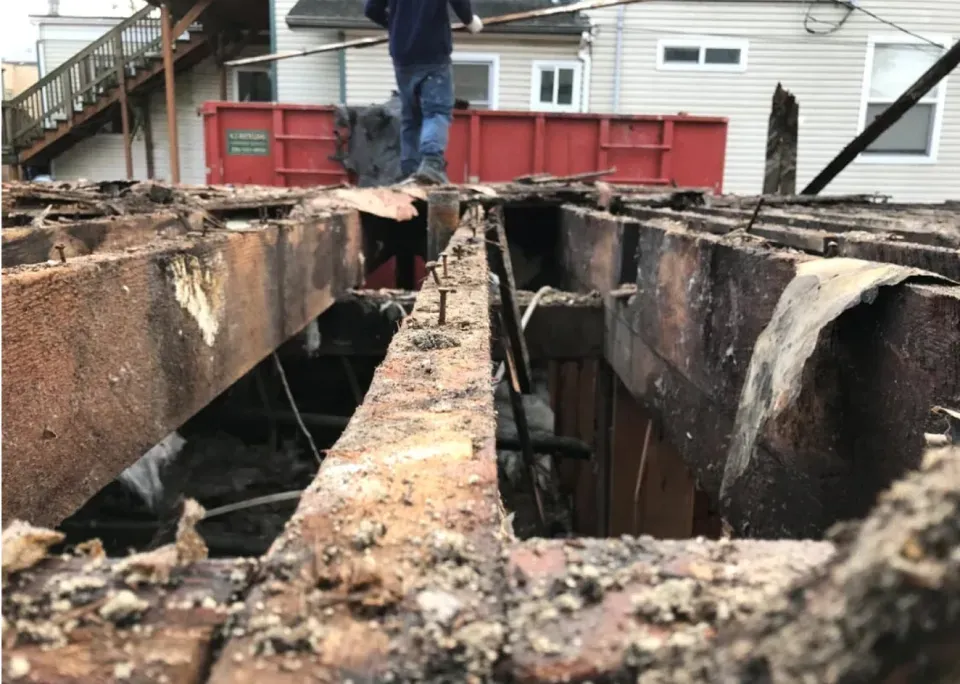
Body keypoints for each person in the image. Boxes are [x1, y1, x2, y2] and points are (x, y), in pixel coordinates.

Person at [364, 0, 483, 184]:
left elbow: (371, 9)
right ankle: (431, 164)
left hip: (402, 56)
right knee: (436, 111)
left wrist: (396, 25)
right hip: (432, 52)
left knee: (411, 115)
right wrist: (469, 21)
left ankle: (410, 170)